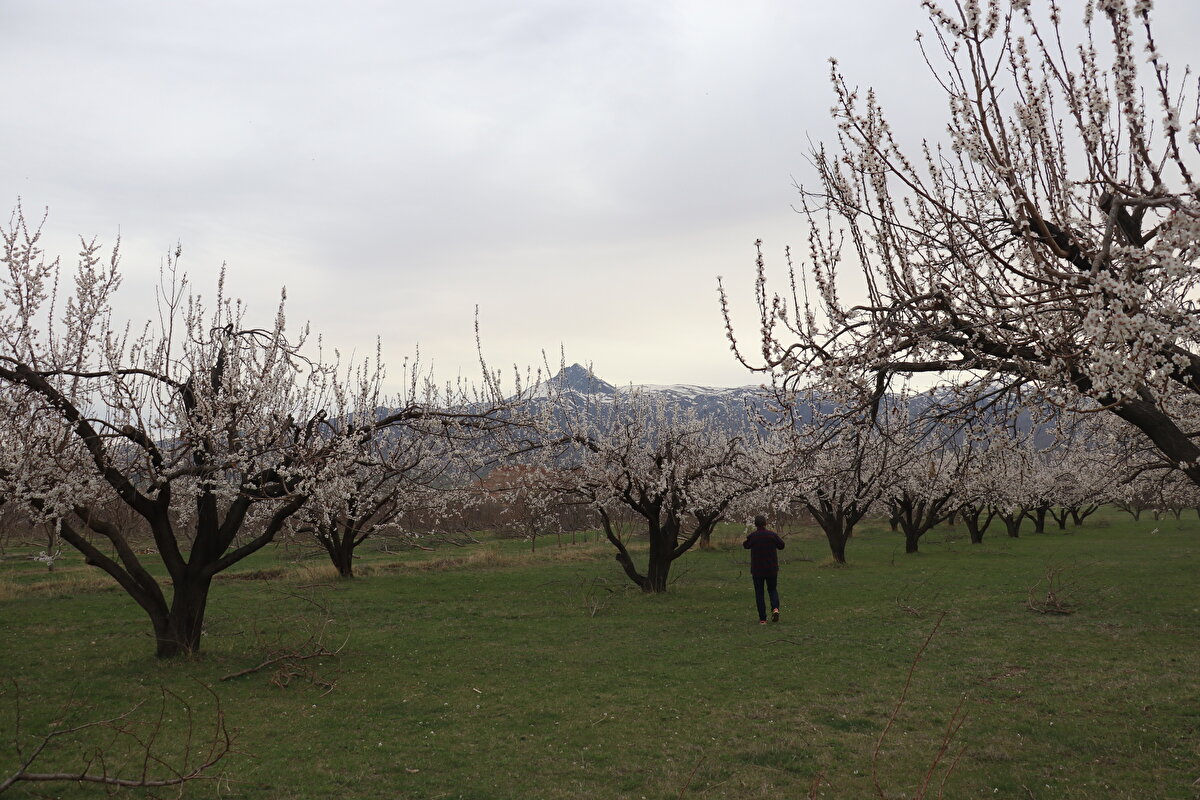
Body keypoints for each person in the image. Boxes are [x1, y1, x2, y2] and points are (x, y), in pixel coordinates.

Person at [743, 514, 785, 624]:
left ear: (755, 524)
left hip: (757, 570)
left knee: (759, 593)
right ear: (765, 523)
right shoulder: (771, 535)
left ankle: (763, 619)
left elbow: (746, 545)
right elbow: (781, 545)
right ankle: (775, 608)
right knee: (772, 589)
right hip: (771, 569)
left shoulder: (753, 536)